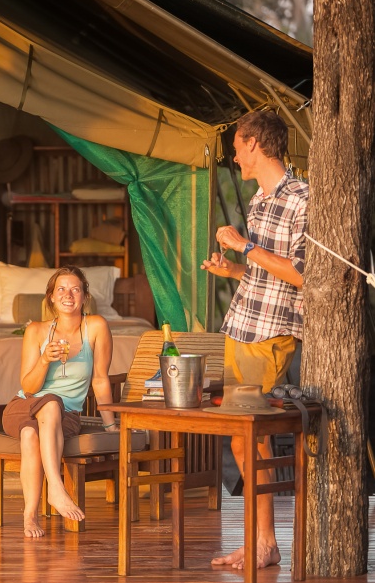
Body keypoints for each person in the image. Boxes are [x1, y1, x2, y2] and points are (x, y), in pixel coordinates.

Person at [201, 110, 308, 570]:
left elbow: (301, 275)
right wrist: (235, 269)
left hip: (272, 333)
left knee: (253, 436)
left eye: (237, 147)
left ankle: (264, 544)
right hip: (242, 325)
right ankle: (259, 541)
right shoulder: (260, 199)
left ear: (256, 145)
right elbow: (267, 275)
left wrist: (245, 246)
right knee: (241, 440)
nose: (233, 156)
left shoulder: (303, 198)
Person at [1, 266, 117, 538]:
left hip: (66, 415)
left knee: (31, 434)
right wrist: (44, 360)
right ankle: (55, 486)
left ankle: (30, 516)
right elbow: (29, 387)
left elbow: (100, 379)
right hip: (24, 406)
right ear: (51, 297)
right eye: (61, 289)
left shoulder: (97, 326)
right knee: (49, 402)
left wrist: (111, 425)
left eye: (75, 289)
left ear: (85, 296)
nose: (68, 295)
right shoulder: (36, 331)